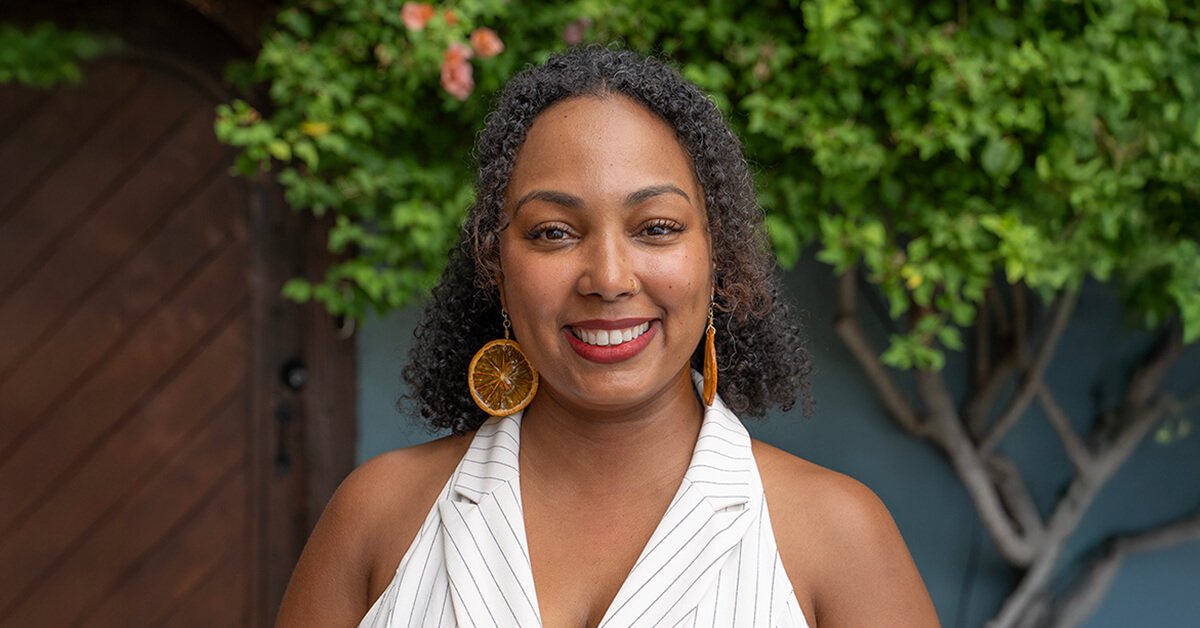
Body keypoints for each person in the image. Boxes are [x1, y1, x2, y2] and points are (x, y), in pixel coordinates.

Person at [276, 46, 939, 627]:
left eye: (656, 228)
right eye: (553, 233)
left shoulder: (837, 536)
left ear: (716, 256)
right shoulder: (378, 516)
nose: (610, 278)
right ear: (495, 265)